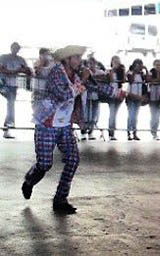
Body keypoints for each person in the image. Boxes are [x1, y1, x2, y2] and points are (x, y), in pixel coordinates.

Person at [21, 45, 127, 214]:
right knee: (45, 164)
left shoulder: (78, 73)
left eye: (79, 57)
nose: (79, 60)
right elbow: (63, 95)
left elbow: (95, 86)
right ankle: (29, 181)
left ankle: (60, 199)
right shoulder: (55, 72)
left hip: (64, 125)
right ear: (67, 59)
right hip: (47, 124)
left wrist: (117, 92)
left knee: (73, 159)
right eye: (76, 57)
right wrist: (83, 81)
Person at [0, 42, 32, 138]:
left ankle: (8, 125)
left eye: (17, 48)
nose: (15, 50)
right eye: (14, 48)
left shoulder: (20, 59)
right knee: (10, 102)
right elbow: (1, 69)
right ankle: (8, 124)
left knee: (11, 102)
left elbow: (28, 71)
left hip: (12, 85)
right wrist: (16, 71)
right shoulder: (4, 57)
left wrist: (23, 71)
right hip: (3, 83)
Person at [81, 57, 105, 141]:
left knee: (94, 115)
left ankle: (91, 132)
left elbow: (104, 78)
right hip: (87, 95)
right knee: (86, 114)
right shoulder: (86, 71)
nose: (91, 65)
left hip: (96, 96)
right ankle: (83, 132)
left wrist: (95, 78)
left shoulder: (100, 72)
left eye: (93, 63)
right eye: (89, 63)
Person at [126, 59, 147, 141]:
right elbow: (131, 81)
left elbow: (147, 80)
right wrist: (135, 71)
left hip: (138, 96)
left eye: (140, 65)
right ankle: (128, 132)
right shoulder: (130, 72)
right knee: (131, 115)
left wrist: (146, 70)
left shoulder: (141, 74)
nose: (139, 67)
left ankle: (134, 133)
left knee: (135, 116)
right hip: (131, 96)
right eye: (137, 65)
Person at [147, 59, 160, 140]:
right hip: (152, 96)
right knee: (153, 114)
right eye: (156, 64)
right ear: (153, 65)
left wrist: (159, 80)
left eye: (159, 64)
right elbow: (148, 80)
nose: (158, 66)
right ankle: (153, 130)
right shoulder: (151, 72)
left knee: (158, 115)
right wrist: (157, 80)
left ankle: (155, 131)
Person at [107, 56, 126, 140]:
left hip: (119, 93)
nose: (116, 63)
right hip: (111, 94)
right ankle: (111, 132)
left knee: (115, 113)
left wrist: (123, 70)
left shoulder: (121, 71)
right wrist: (113, 69)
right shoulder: (109, 71)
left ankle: (113, 131)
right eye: (114, 61)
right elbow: (110, 79)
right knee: (112, 113)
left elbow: (124, 80)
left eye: (118, 61)